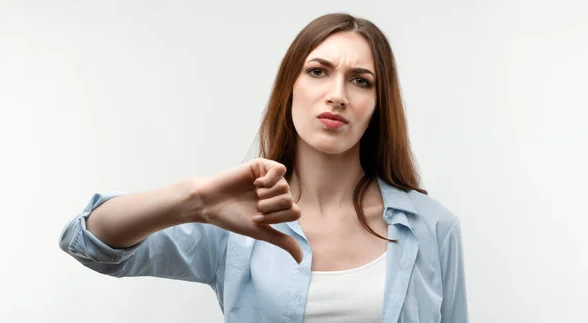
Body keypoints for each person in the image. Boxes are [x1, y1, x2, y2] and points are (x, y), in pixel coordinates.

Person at [59, 12, 468, 323]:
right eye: (318, 72)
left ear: (378, 106)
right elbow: (89, 242)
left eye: (361, 80)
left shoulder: (432, 228)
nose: (337, 95)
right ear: (291, 87)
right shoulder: (235, 216)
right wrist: (195, 199)